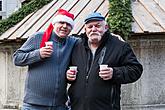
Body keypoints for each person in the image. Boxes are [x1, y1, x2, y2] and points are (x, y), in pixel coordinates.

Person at [66, 12, 143, 110]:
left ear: (106, 27)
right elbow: (65, 67)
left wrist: (114, 73)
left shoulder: (119, 46)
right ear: (85, 30)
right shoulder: (76, 46)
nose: (93, 29)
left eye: (98, 26)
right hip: (77, 106)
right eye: (90, 27)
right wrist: (68, 74)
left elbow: (136, 70)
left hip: (106, 107)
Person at [13, 9, 77, 110]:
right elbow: (17, 59)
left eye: (68, 24)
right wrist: (38, 54)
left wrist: (69, 72)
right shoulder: (38, 37)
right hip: (33, 106)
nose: (65, 26)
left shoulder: (72, 42)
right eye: (61, 22)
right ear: (54, 24)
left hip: (59, 105)